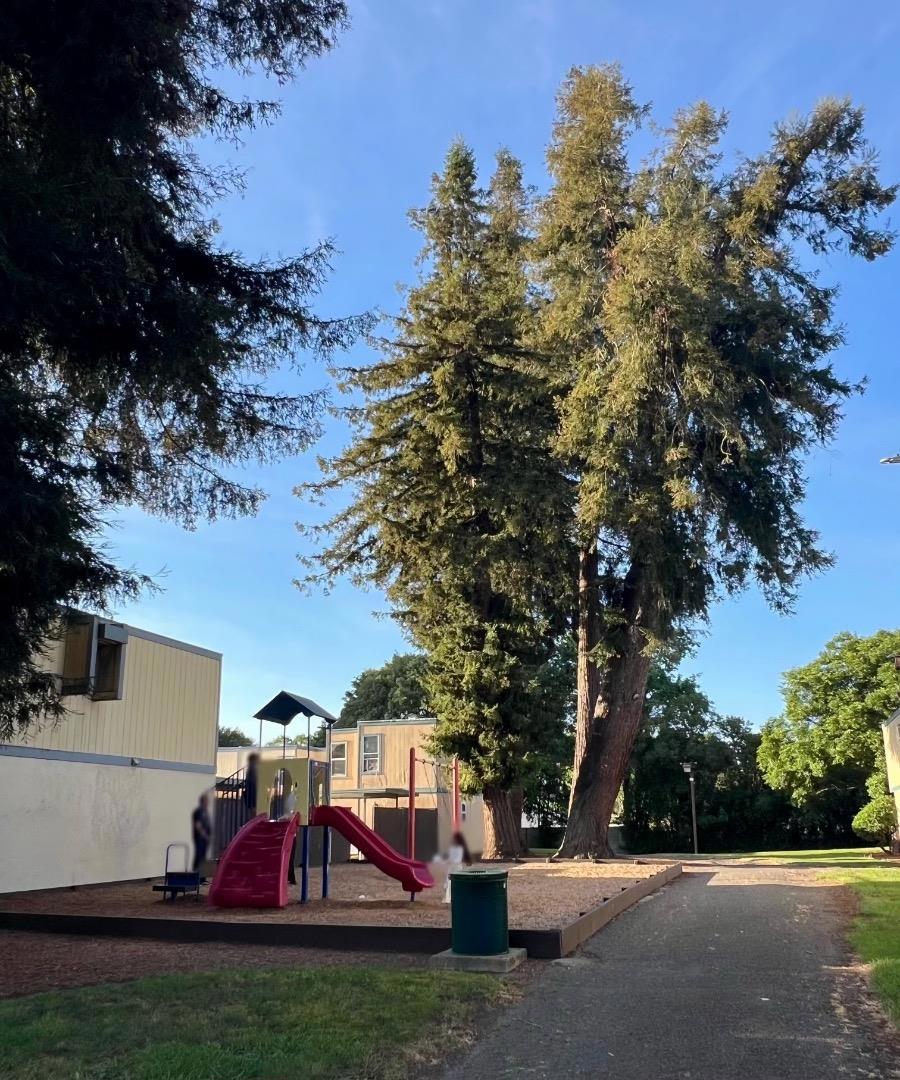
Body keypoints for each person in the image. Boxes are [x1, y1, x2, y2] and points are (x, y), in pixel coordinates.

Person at [442, 831, 473, 903]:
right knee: (449, 881)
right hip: (451, 867)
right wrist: (447, 861)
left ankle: (455, 896)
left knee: (454, 882)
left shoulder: (460, 848)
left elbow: (458, 859)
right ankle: (448, 897)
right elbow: (450, 857)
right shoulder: (452, 848)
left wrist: (451, 861)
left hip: (456, 867)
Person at [192, 793, 212, 874]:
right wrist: (205, 835)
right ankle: (196, 874)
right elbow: (198, 825)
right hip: (200, 837)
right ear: (203, 801)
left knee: (203, 856)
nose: (208, 802)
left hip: (205, 838)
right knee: (199, 855)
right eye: (207, 801)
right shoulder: (198, 811)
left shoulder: (205, 811)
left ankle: (201, 875)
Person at [242, 751, 259, 823]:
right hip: (252, 792)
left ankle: (252, 822)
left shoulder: (251, 769)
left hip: (251, 792)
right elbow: (254, 780)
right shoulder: (252, 769)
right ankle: (253, 822)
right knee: (254, 810)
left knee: (253, 810)